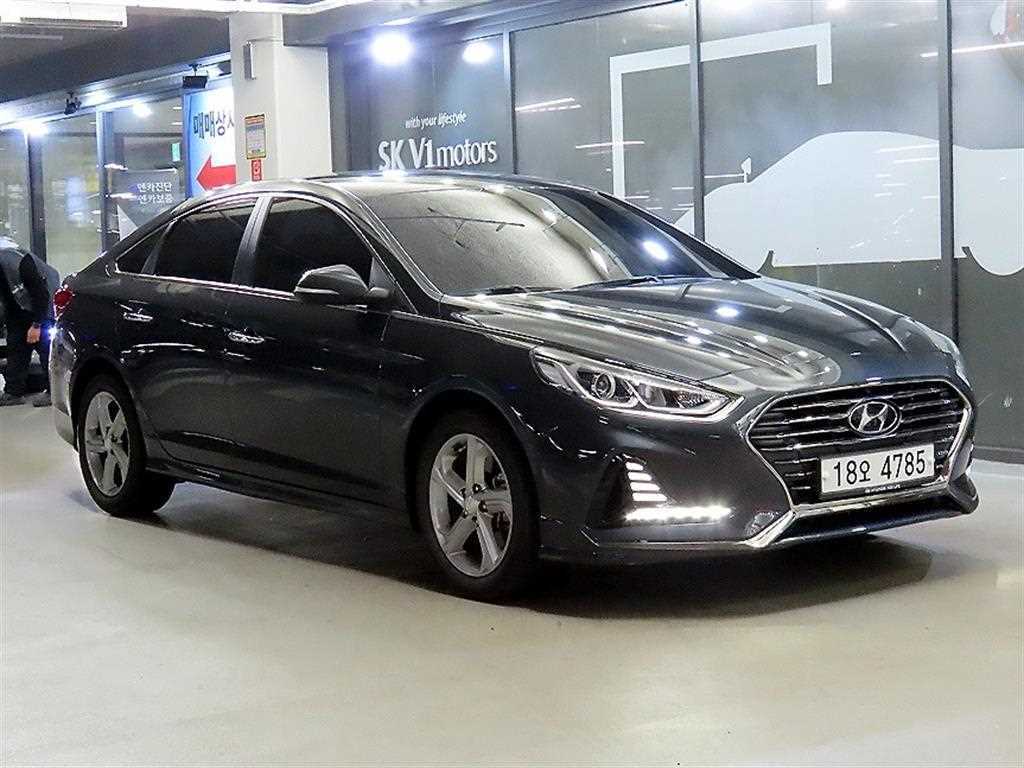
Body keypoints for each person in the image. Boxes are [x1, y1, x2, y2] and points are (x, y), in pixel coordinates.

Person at [0, 236, 59, 408]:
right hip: (17, 308)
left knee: (46, 348)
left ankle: (53, 392)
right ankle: (13, 392)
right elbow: (6, 297)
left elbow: (41, 295)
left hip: (43, 303)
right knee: (16, 346)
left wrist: (36, 325)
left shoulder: (19, 262)